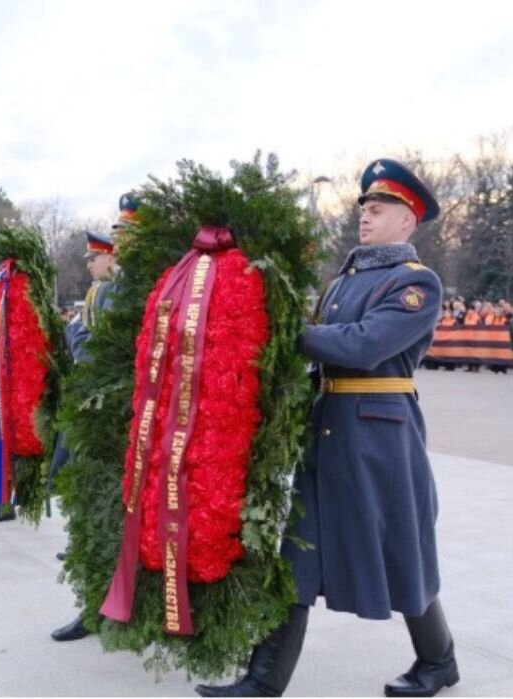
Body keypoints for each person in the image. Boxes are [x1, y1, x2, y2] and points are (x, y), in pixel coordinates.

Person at [198, 160, 457, 698]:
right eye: (364, 207)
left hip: (380, 442)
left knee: (401, 554)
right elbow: (320, 355)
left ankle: (439, 661)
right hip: (327, 432)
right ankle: (264, 680)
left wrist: (289, 326)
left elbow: (362, 345)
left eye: (378, 208)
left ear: (407, 222)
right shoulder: (347, 279)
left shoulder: (416, 284)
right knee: (297, 556)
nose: (366, 215)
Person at [51, 207, 127, 639]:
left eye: (93, 257)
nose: (89, 264)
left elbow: (89, 349)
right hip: (94, 405)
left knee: (96, 506)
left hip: (102, 412)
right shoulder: (103, 292)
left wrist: (77, 335)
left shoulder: (110, 294)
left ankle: (95, 605)